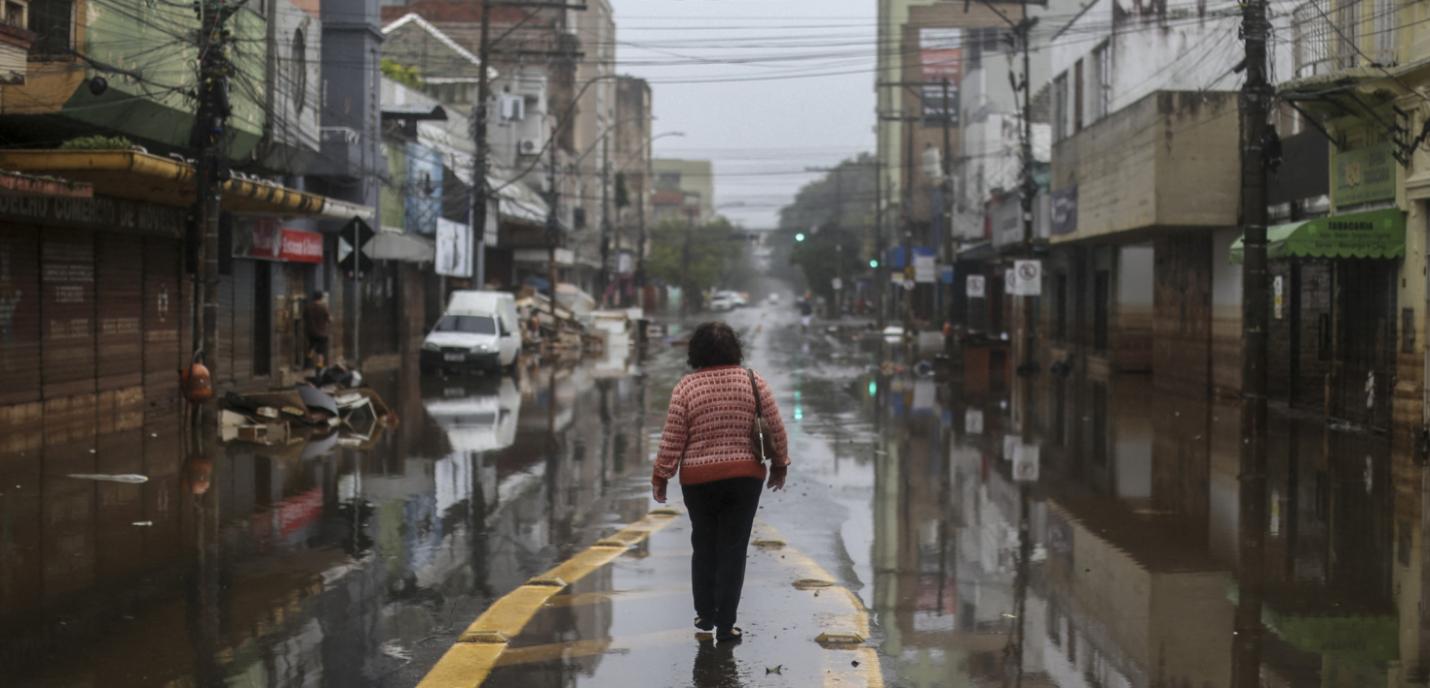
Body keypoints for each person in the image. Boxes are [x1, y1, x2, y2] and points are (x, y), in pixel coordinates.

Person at [652, 321, 790, 644]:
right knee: (733, 548)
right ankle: (727, 625)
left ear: (696, 352)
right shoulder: (754, 382)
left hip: (698, 482)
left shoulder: (686, 388)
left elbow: (673, 438)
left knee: (704, 544)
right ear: (735, 349)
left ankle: (705, 612)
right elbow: (777, 429)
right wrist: (780, 465)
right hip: (745, 479)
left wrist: (662, 475)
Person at [304, 291, 331, 369]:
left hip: (311, 332)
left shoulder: (308, 307)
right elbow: (329, 319)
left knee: (311, 347)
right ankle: (319, 370)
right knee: (320, 353)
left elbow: (304, 317)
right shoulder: (323, 307)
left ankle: (307, 362)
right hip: (322, 333)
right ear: (321, 297)